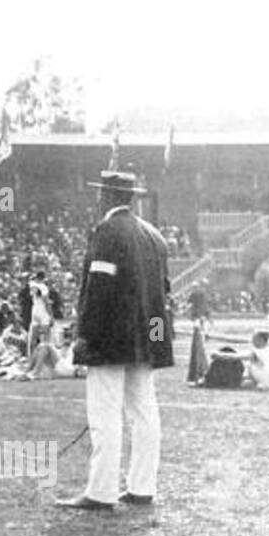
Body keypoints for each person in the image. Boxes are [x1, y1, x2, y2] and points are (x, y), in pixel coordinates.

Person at [58, 170, 173, 511]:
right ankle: (142, 487)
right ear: (131, 197)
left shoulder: (106, 232)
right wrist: (157, 342)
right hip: (144, 342)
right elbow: (161, 297)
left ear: (104, 197)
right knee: (144, 413)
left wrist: (85, 336)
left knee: (105, 415)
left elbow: (99, 290)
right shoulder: (155, 237)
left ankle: (101, 491)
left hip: (110, 339)